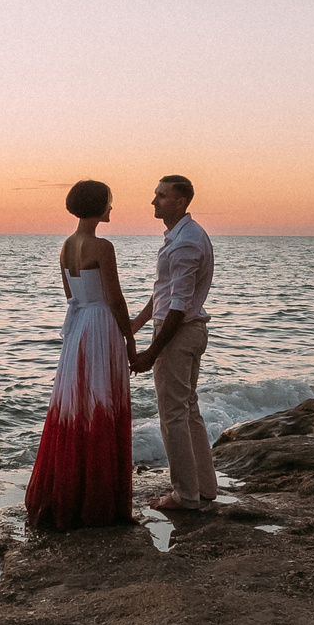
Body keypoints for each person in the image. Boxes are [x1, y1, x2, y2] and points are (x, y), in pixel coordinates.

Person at [23, 179, 137, 530]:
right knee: (101, 403)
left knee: (77, 406)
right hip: (101, 326)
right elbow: (115, 299)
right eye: (109, 202)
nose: (112, 207)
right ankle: (100, 499)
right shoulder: (103, 246)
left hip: (78, 328)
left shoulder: (66, 246)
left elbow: (70, 296)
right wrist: (130, 340)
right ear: (98, 207)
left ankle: (69, 493)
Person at [130, 174, 216, 512]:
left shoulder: (185, 243)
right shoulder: (183, 236)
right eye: (156, 194)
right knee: (188, 410)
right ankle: (204, 487)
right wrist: (137, 323)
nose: (154, 201)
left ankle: (185, 496)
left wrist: (152, 352)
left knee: (173, 416)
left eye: (162, 196)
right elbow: (164, 292)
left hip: (179, 332)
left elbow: (178, 305)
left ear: (181, 202)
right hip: (186, 329)